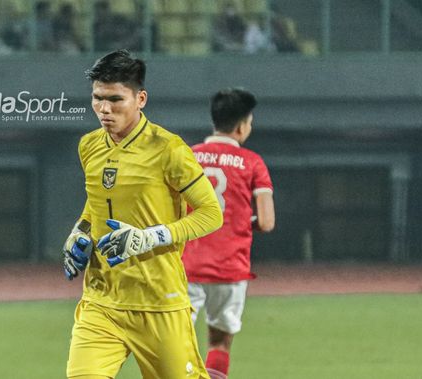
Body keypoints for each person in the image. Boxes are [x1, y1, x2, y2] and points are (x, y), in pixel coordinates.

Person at [62, 50, 223, 379]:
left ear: (141, 99)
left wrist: (150, 236)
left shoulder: (169, 150)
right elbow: (95, 204)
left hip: (158, 301)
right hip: (101, 301)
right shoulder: (89, 146)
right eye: (97, 99)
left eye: (115, 99)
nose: (104, 109)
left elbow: (211, 213)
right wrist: (79, 231)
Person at [181, 88, 275, 379]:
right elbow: (268, 221)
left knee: (175, 344)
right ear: (241, 127)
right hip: (230, 268)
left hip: (185, 267)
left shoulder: (186, 157)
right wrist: (243, 222)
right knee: (219, 342)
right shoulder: (252, 163)